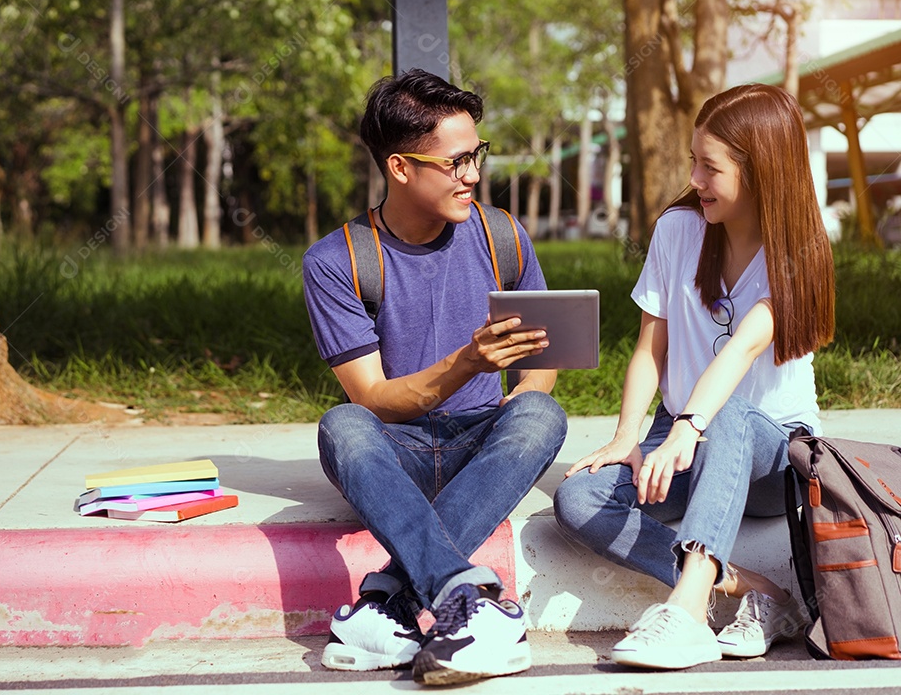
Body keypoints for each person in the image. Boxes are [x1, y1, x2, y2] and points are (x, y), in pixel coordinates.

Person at [554, 83, 835, 670]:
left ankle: (685, 611)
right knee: (578, 497)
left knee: (728, 415)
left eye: (711, 167)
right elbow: (648, 351)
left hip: (773, 453)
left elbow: (738, 354)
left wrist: (689, 425)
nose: (696, 178)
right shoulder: (678, 231)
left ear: (760, 173)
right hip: (681, 435)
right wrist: (629, 436)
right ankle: (752, 586)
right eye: (693, 161)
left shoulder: (798, 253)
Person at [301, 69, 568, 686]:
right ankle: (465, 598)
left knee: (539, 414)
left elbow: (542, 361)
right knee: (342, 425)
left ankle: (386, 603)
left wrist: (519, 404)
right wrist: (468, 362)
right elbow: (372, 399)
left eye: (477, 155)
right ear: (399, 168)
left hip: (483, 442)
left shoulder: (503, 234)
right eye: (454, 162)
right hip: (400, 451)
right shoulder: (337, 260)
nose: (472, 174)